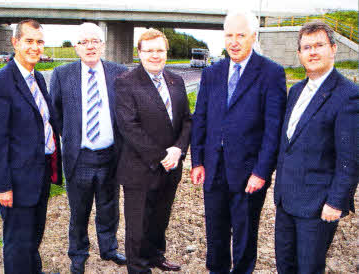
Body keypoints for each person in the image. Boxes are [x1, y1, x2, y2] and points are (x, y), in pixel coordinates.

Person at [190, 10, 287, 273]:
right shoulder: (213, 73)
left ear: (253, 37)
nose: (234, 41)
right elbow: (200, 118)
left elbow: (273, 129)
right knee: (215, 232)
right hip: (213, 168)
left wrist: (261, 172)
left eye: (241, 35)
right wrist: (197, 160)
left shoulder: (271, 73)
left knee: (244, 236)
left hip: (248, 174)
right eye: (229, 35)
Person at [274, 21, 358, 273]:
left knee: (309, 268)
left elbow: (350, 157)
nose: (312, 52)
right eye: (306, 47)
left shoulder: (348, 95)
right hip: (286, 200)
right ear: (299, 54)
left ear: (333, 49)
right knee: (285, 265)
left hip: (318, 206)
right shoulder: (296, 90)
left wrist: (336, 202)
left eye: (319, 45)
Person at [0, 19, 61, 274]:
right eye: (29, 41)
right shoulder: (1, 82)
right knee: (18, 246)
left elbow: (43, 123)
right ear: (15, 42)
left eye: (39, 42)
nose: (35, 47)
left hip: (38, 177)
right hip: (15, 184)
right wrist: (2, 186)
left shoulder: (37, 77)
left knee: (32, 242)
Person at [49, 22, 127, 274]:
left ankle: (109, 248)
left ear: (103, 45)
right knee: (78, 212)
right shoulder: (62, 75)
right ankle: (78, 254)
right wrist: (70, 136)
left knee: (109, 207)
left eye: (95, 41)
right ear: (76, 48)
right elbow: (55, 113)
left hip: (110, 156)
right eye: (84, 42)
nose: (90, 46)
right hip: (79, 157)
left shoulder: (119, 73)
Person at [115, 29, 191, 274]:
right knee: (137, 226)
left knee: (160, 219)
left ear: (166, 52)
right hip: (140, 168)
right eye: (148, 51)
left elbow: (187, 121)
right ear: (139, 53)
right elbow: (129, 127)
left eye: (159, 50)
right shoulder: (126, 83)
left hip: (171, 167)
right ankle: (138, 267)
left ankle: (156, 256)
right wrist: (162, 157)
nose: (155, 55)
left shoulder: (176, 81)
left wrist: (178, 150)